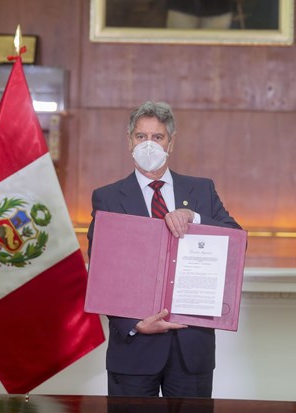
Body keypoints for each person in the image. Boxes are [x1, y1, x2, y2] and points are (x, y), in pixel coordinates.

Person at [87, 101, 241, 397]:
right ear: (129, 141)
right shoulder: (108, 198)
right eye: (141, 136)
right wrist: (133, 324)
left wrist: (194, 217)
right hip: (134, 348)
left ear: (171, 142)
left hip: (190, 347)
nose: (149, 144)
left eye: (157, 137)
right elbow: (101, 271)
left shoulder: (201, 190)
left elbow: (235, 240)